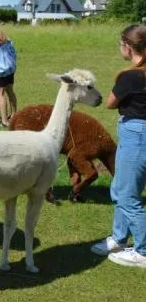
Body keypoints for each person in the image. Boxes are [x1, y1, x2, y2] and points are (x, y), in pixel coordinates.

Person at [90, 23, 146, 267]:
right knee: (121, 188)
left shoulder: (131, 76)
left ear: (129, 47)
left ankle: (143, 251)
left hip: (137, 134)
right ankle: (119, 238)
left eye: (120, 43)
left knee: (128, 195)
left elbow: (110, 103)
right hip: (138, 133)